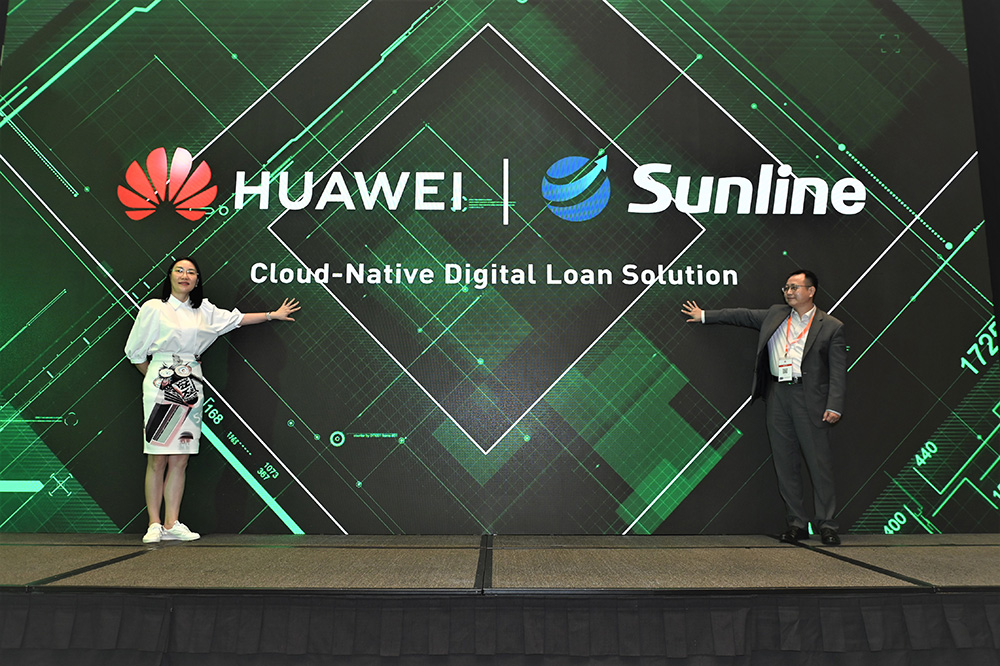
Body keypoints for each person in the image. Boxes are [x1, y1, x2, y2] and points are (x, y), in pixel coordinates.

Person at [125, 257, 300, 544]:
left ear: (197, 280)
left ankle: (172, 522)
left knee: (180, 459)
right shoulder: (154, 308)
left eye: (191, 272)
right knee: (157, 458)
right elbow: (135, 353)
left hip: (192, 381)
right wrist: (157, 379)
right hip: (161, 381)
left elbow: (237, 319)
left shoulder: (204, 311)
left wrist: (272, 315)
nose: (185, 276)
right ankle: (154, 524)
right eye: (179, 271)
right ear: (170, 276)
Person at [681, 269, 846, 546]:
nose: (789, 292)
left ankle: (827, 525)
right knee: (785, 463)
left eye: (794, 287)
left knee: (819, 465)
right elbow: (741, 315)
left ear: (811, 291)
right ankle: (797, 523)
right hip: (778, 395)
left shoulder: (831, 326)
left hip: (809, 399)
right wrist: (705, 315)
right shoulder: (775, 314)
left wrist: (835, 405)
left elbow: (838, 371)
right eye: (786, 288)